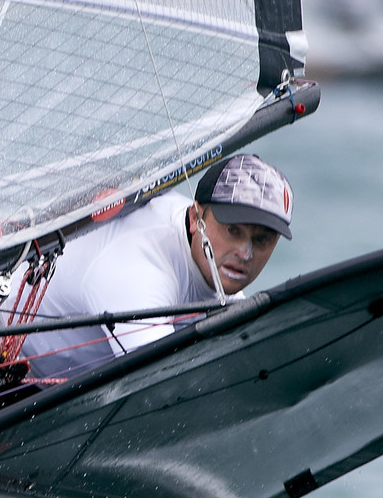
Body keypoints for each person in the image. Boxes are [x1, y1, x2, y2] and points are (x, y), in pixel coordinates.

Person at [20, 152, 294, 381]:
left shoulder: (214, 260)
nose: (245, 253)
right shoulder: (139, 272)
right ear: (194, 217)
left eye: (261, 240)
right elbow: (166, 386)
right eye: (233, 231)